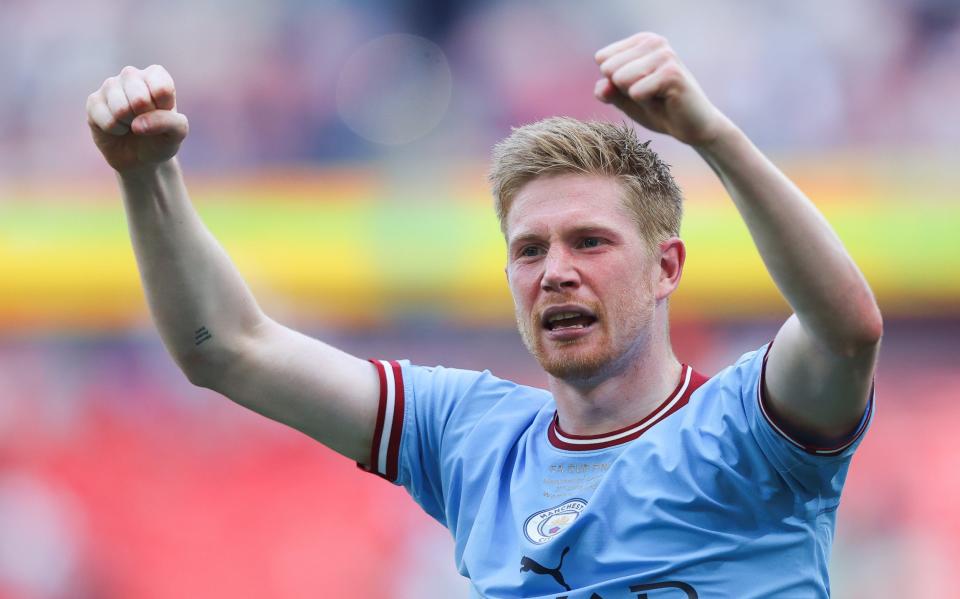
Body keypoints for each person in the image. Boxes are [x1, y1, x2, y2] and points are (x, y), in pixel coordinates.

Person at [86, 32, 880, 598]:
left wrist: (712, 136)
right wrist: (146, 176)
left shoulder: (749, 429)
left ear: (666, 266)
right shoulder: (470, 435)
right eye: (529, 250)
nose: (556, 271)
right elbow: (226, 347)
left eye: (590, 241)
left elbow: (845, 328)